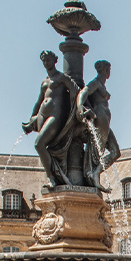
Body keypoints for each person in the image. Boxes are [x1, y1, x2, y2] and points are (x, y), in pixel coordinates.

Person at [23, 50, 80, 187]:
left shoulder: (61, 78)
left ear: (55, 61)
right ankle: (53, 175)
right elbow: (39, 102)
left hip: (56, 115)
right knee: (44, 146)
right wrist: (32, 118)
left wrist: (80, 109)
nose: (46, 63)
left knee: (39, 144)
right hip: (43, 115)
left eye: (48, 60)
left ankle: (52, 178)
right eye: (44, 61)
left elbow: (76, 91)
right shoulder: (45, 82)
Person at [76, 60, 121, 192]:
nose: (109, 72)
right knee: (97, 151)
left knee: (116, 152)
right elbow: (83, 92)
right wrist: (80, 107)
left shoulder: (101, 85)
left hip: (105, 119)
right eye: (109, 69)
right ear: (105, 70)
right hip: (100, 117)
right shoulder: (96, 83)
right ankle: (93, 175)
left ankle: (96, 172)